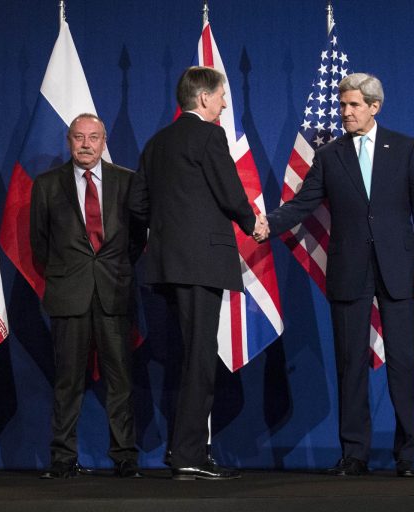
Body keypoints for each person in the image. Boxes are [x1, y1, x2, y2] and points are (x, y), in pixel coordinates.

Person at [257, 73, 414, 478]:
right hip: (349, 269)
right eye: (342, 105)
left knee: (403, 364)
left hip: (398, 269)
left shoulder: (405, 148)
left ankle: (406, 455)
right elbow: (303, 204)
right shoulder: (329, 155)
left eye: (353, 105)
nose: (345, 112)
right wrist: (270, 223)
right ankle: (354, 454)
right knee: (350, 363)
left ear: (374, 107)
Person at [129, 66, 265, 480]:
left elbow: (137, 204)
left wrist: (171, 230)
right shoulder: (209, 135)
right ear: (203, 98)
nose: (225, 103)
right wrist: (252, 221)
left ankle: (182, 449)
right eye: (222, 95)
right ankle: (188, 454)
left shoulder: (156, 143)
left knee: (185, 355)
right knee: (200, 359)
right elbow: (228, 189)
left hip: (168, 265)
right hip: (202, 265)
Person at [30, 113, 146, 479]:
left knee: (120, 380)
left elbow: (137, 239)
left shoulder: (127, 182)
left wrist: (112, 269)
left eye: (93, 137)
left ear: (103, 141)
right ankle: (63, 458)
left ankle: (125, 458)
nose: (85, 144)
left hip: (114, 292)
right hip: (69, 294)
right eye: (78, 137)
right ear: (69, 141)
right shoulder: (47, 185)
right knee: (67, 381)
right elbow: (39, 242)